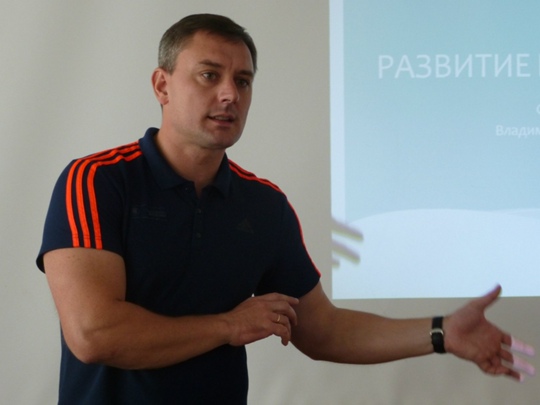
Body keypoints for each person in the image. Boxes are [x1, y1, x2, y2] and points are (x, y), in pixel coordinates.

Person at [37, 13, 535, 404]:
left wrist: (441, 332)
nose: (230, 94)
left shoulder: (263, 204)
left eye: (243, 81)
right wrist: (229, 326)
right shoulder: (97, 180)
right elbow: (94, 334)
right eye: (209, 75)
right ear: (162, 85)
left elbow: (322, 330)